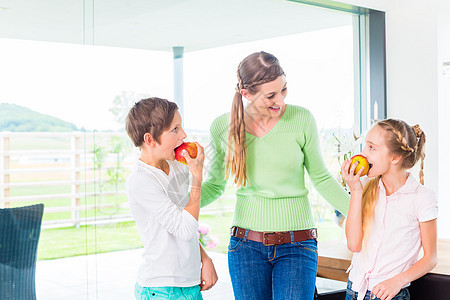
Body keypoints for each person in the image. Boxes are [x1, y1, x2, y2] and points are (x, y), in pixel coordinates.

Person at [201, 51, 350, 299]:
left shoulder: (301, 119)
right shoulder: (222, 127)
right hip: (245, 247)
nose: (280, 101)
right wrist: (176, 206)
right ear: (246, 94)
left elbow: (321, 178)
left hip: (297, 244)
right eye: (270, 95)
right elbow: (215, 186)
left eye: (283, 90)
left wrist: (365, 212)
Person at [125, 97, 218, 300]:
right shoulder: (141, 181)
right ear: (150, 140)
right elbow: (185, 230)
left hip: (188, 285)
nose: (183, 135)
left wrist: (205, 258)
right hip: (162, 289)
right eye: (175, 129)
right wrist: (197, 177)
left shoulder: (176, 167)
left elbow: (182, 222)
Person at [341, 119, 438, 300]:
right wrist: (355, 190)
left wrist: (397, 281)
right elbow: (354, 244)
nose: (363, 154)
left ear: (395, 157)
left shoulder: (422, 197)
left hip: (389, 294)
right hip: (355, 289)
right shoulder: (364, 187)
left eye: (371, 148)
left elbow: (431, 258)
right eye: (365, 146)